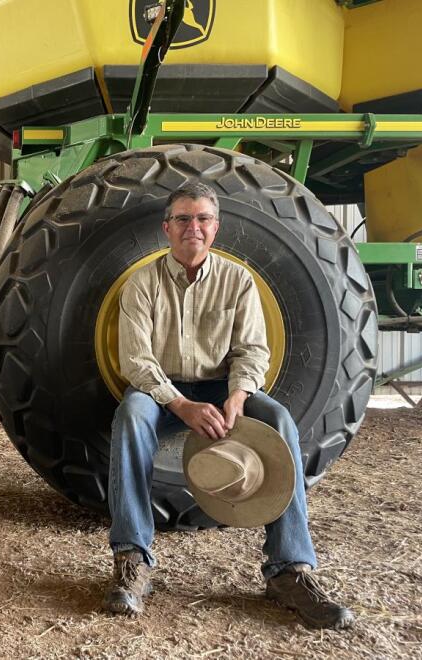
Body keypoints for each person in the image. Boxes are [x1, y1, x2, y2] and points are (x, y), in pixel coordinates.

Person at [104, 181, 354, 629]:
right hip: (161, 392)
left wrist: (238, 396)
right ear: (167, 228)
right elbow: (136, 362)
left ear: (215, 228)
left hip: (223, 388)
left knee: (277, 418)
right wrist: (180, 405)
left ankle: (289, 569)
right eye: (183, 219)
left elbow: (252, 352)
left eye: (202, 218)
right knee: (130, 416)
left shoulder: (238, 280)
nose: (192, 227)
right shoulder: (142, 284)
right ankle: (132, 558)